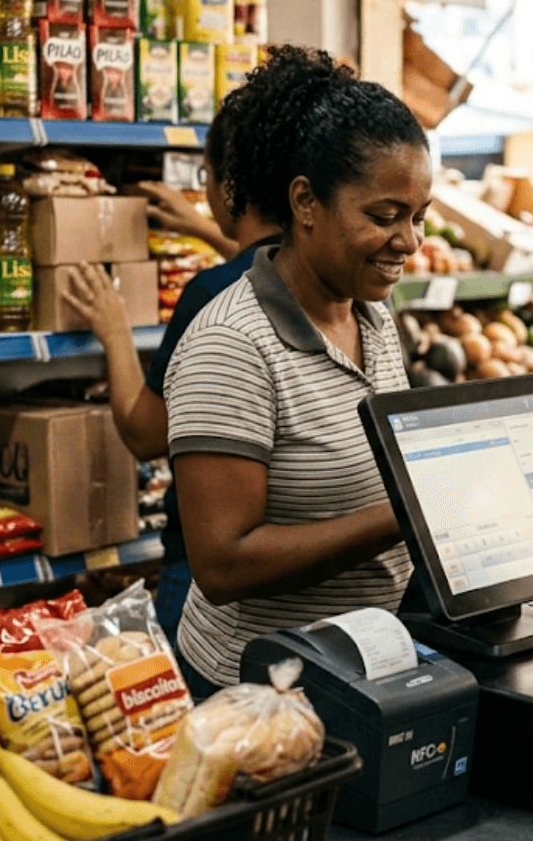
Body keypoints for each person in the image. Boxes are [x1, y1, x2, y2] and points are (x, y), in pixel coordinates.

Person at [161, 45, 431, 697]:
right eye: (385, 217)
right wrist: (412, 507)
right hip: (256, 688)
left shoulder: (370, 316)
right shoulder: (231, 346)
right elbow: (223, 563)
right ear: (306, 202)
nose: (410, 241)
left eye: (419, 217)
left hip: (360, 663)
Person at [61, 108, 281, 643]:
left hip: (210, 585)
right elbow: (265, 268)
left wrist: (114, 329)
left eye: (207, 180)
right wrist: (207, 230)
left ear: (228, 186)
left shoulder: (210, 294)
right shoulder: (319, 283)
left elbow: (146, 432)